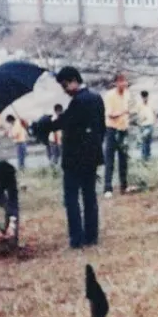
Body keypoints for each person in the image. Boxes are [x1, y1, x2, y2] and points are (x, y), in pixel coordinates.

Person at [47, 66, 106, 249]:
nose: (64, 90)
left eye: (65, 85)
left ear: (74, 80)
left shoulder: (78, 102)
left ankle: (76, 239)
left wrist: (40, 125)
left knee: (71, 199)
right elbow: (102, 128)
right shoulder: (96, 98)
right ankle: (91, 236)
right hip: (92, 157)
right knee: (90, 197)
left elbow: (65, 122)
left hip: (74, 159)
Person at [103, 72, 135, 198]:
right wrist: (124, 112)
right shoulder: (109, 95)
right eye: (120, 81)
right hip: (112, 129)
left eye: (124, 81)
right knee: (110, 159)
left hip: (123, 129)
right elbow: (110, 114)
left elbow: (131, 110)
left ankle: (124, 186)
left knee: (124, 159)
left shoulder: (127, 94)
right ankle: (107, 188)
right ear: (115, 83)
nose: (123, 83)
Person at [138, 90, 156, 162]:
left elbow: (154, 113)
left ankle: (148, 155)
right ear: (141, 97)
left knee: (148, 141)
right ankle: (144, 157)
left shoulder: (151, 104)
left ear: (147, 97)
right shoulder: (139, 104)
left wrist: (154, 122)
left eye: (146, 97)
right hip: (143, 125)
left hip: (150, 124)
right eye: (143, 97)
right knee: (144, 141)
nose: (145, 98)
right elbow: (136, 114)